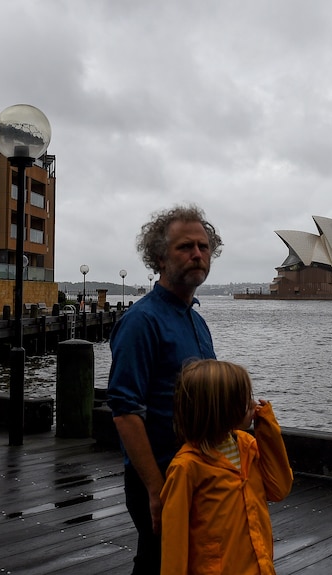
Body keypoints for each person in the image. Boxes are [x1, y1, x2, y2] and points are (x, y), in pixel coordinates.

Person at [105, 204, 223, 575]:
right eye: (185, 247)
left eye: (203, 247)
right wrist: (157, 490)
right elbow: (125, 410)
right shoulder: (142, 321)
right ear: (158, 258)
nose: (197, 255)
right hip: (159, 476)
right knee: (159, 561)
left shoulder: (197, 321)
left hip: (198, 471)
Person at [160, 359, 294, 575]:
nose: (252, 404)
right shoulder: (187, 467)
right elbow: (174, 543)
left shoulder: (248, 446)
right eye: (243, 400)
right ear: (221, 409)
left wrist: (268, 431)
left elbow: (280, 488)